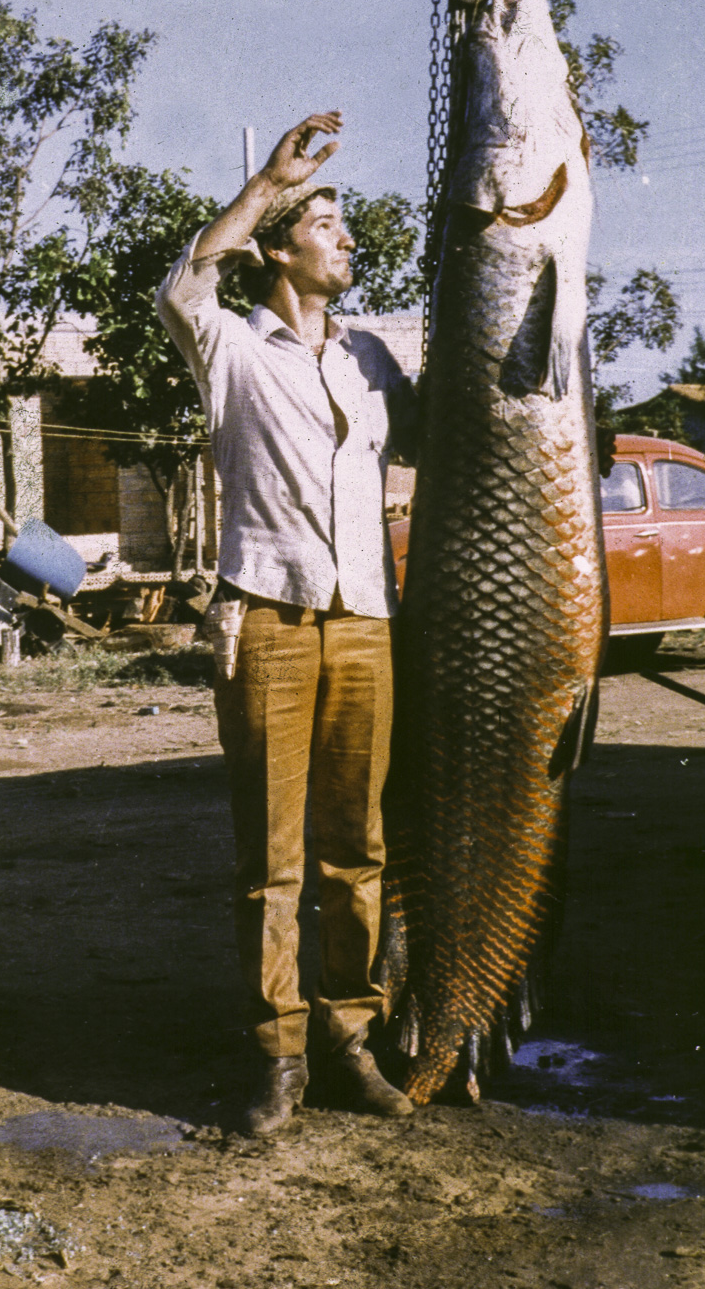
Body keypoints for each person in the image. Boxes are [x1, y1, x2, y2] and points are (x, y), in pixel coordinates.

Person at [155, 111, 418, 1135]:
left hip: (364, 621)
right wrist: (270, 181)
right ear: (278, 250)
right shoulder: (228, 345)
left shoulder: (372, 360)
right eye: (328, 223)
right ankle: (279, 1055)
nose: (347, 238)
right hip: (266, 617)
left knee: (357, 847)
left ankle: (351, 1038)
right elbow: (185, 280)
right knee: (272, 858)